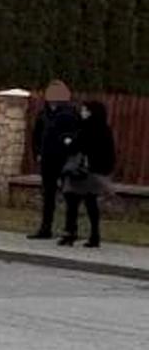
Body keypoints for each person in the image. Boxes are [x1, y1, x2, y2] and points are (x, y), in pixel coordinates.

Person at [58, 101, 115, 248]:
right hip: (95, 172)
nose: (82, 113)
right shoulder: (105, 129)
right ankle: (94, 235)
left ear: (90, 112)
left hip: (82, 172)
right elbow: (110, 154)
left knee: (72, 202)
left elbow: (76, 146)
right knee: (91, 203)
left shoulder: (86, 128)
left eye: (84, 110)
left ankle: (70, 233)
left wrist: (67, 142)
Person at [28, 80, 80, 240]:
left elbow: (77, 134)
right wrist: (37, 152)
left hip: (65, 159)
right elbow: (36, 135)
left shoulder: (70, 112)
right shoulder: (43, 113)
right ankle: (45, 229)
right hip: (47, 159)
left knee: (70, 194)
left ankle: (70, 230)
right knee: (48, 194)